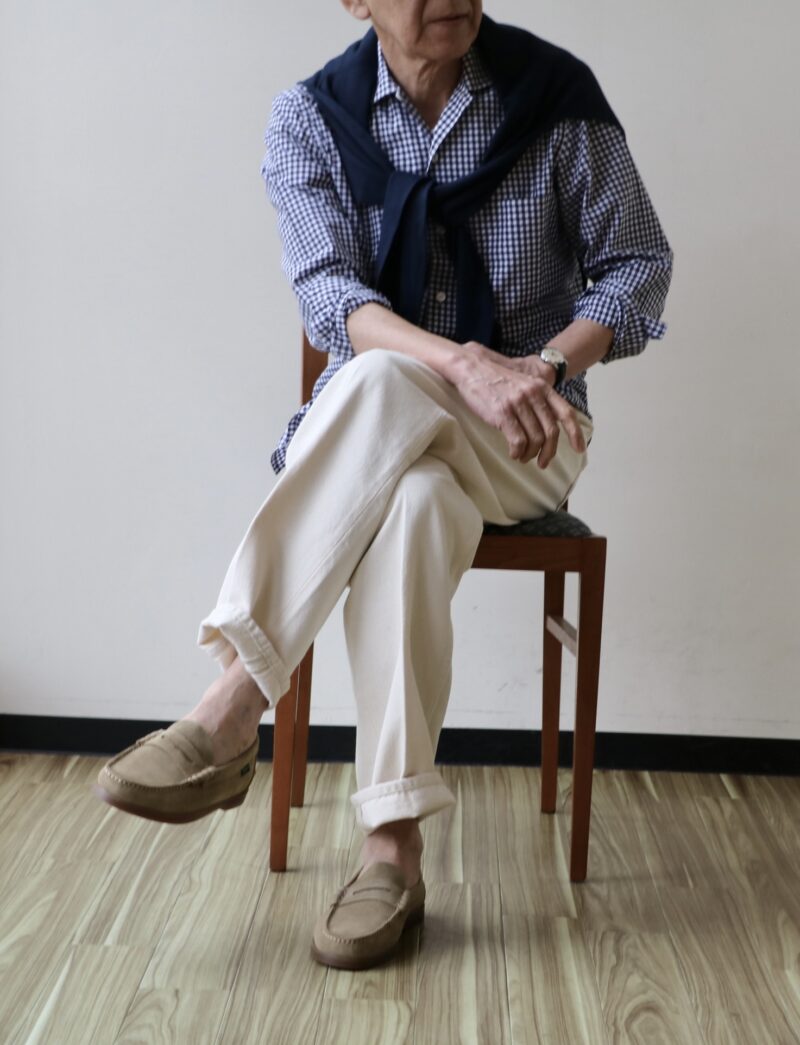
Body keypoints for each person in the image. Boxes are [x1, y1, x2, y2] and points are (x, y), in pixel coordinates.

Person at [93, 0, 673, 971]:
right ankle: (391, 848)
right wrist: (463, 364)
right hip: (381, 441)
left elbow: (637, 268)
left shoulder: (554, 98)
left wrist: (539, 367)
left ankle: (235, 699)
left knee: (382, 385)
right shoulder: (310, 118)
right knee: (408, 492)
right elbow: (332, 299)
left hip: (528, 437)